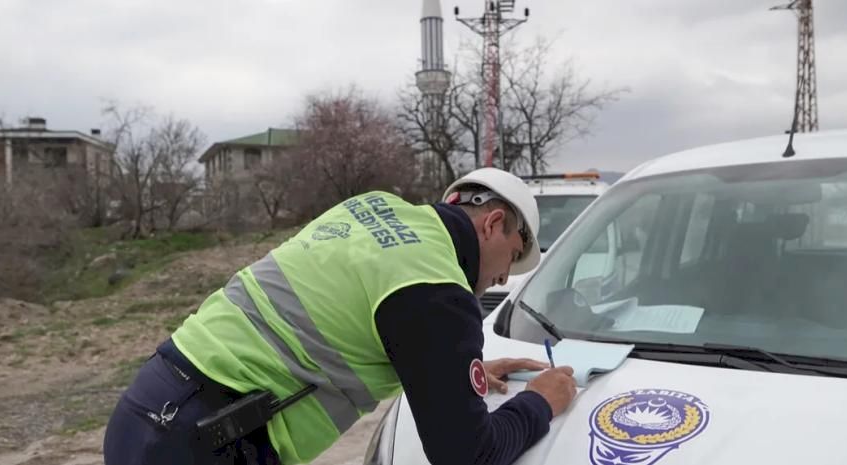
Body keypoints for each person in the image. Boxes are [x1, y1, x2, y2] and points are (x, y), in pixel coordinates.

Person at [103, 167, 578, 465]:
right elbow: (469, 454)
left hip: (150, 408)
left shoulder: (372, 207)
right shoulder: (441, 290)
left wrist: (454, 372)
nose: (501, 279)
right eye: (513, 258)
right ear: (494, 224)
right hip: (208, 443)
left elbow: (344, 325)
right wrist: (540, 401)